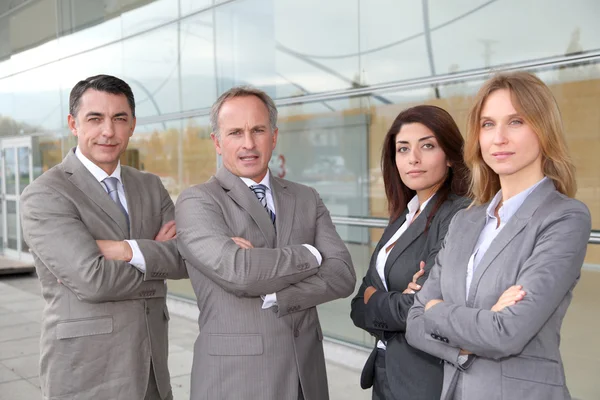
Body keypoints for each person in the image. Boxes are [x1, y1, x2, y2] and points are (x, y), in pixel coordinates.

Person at [405, 71, 591, 400]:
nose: (498, 138)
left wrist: (437, 310)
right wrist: (476, 329)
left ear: (543, 129)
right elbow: (414, 325)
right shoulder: (465, 221)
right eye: (488, 124)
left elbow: (506, 333)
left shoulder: (564, 217)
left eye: (516, 121)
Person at [175, 86, 356, 400]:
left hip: (306, 377)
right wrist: (311, 254)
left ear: (273, 136)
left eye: (258, 130)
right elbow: (241, 272)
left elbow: (342, 274)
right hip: (237, 380)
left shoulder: (306, 197)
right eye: (235, 132)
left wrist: (280, 293)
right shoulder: (198, 201)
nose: (248, 143)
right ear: (217, 142)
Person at [20, 75, 187, 400]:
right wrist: (156, 259)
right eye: (95, 119)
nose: (108, 131)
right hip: (88, 374)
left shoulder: (150, 185)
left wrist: (125, 251)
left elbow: (185, 259)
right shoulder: (46, 194)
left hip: (154, 372)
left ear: (132, 125)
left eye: (119, 118)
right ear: (73, 123)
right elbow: (93, 280)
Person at [350, 105, 470, 399]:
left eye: (427, 146)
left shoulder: (459, 215)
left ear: (452, 156)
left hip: (425, 379)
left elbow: (422, 307)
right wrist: (393, 299)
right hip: (386, 370)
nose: (413, 159)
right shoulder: (404, 217)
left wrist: (375, 300)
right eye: (403, 149)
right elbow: (357, 305)